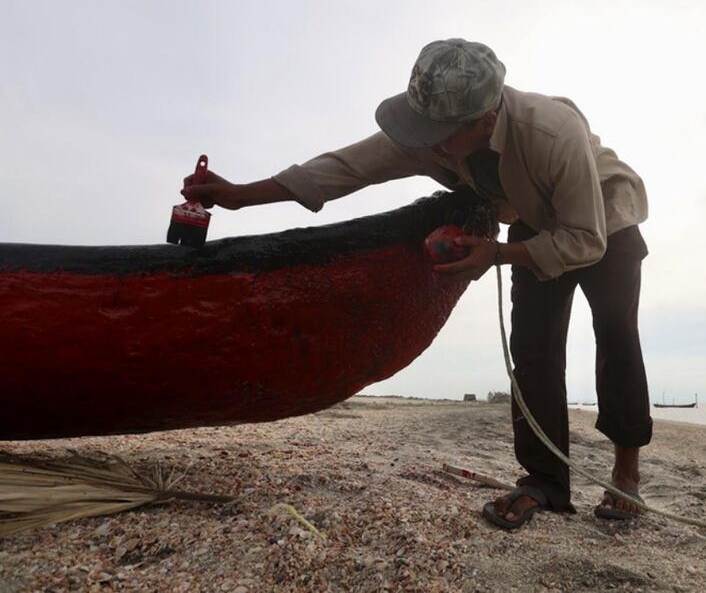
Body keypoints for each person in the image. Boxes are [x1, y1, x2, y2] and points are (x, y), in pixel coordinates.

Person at [182, 38, 651, 529]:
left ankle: (626, 477)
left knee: (616, 335)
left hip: (603, 219)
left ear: (484, 122)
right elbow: (345, 168)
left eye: (437, 134)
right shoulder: (433, 134)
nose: (423, 142)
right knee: (533, 348)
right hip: (534, 216)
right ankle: (545, 483)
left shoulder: (552, 132)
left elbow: (585, 239)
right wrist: (240, 196)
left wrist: (497, 254)